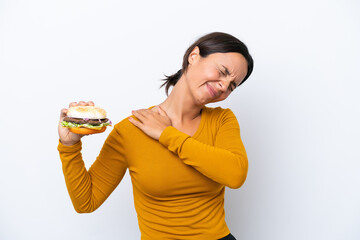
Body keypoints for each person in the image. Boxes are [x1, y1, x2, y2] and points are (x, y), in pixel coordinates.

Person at [57, 32, 254, 240]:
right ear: (194, 56)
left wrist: (166, 135)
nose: (224, 85)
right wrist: (69, 147)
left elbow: (235, 175)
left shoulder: (222, 120)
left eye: (232, 85)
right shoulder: (132, 129)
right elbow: (86, 202)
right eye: (222, 71)